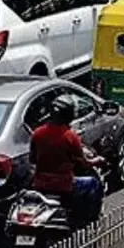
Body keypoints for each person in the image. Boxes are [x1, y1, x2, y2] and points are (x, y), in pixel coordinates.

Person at [29, 95, 104, 223]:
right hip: (64, 185)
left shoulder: (37, 133)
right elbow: (85, 164)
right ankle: (90, 220)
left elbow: (32, 159)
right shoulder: (69, 136)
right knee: (93, 183)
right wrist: (98, 160)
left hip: (39, 184)